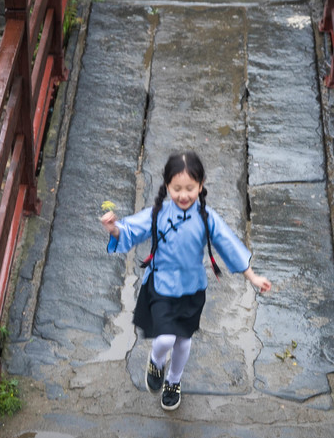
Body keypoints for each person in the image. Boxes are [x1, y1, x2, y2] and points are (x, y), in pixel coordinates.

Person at [99, 151, 272, 411]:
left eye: (189, 188)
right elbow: (132, 229)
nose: (183, 195)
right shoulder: (158, 213)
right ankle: (156, 363)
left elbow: (228, 244)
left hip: (192, 290)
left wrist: (252, 276)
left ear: (200, 186)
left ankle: (174, 381)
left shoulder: (206, 217)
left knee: (184, 340)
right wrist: (114, 229)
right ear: (167, 186)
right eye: (176, 188)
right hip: (161, 286)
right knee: (165, 339)